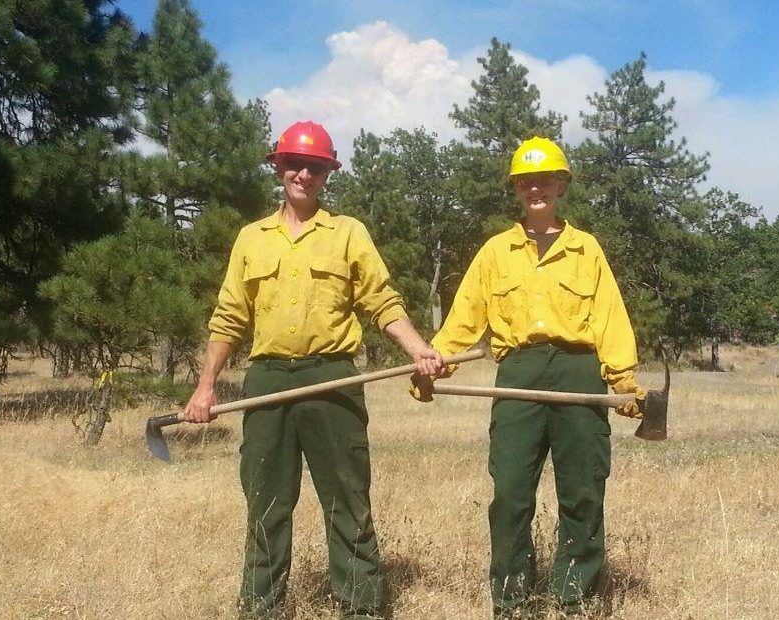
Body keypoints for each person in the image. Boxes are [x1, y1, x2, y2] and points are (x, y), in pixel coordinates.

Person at [184, 120, 444, 620]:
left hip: (333, 379)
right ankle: (260, 609)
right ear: (278, 167)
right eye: (293, 164)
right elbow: (229, 316)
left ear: (328, 174)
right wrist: (205, 387)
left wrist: (418, 348)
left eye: (315, 167)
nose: (303, 173)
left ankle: (361, 608)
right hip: (269, 381)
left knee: (348, 501)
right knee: (265, 503)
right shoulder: (251, 239)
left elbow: (381, 300)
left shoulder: (348, 233)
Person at [412, 137, 645, 617]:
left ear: (561, 185)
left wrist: (622, 381)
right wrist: (436, 360)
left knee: (583, 488)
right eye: (526, 180)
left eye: (545, 179)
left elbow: (610, 317)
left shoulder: (587, 250)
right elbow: (465, 317)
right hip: (517, 374)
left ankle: (573, 597)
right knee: (512, 491)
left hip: (579, 372)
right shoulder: (497, 251)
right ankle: (512, 599)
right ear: (516, 188)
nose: (535, 187)